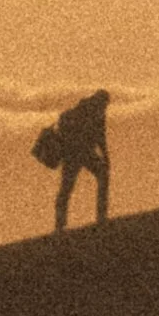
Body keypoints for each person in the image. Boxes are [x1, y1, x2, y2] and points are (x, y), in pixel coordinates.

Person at [49, 89, 111, 231]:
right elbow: (100, 137)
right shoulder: (95, 112)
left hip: (75, 154)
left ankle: (60, 224)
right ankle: (100, 216)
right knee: (69, 187)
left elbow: (99, 136)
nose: (105, 106)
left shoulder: (85, 109)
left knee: (66, 188)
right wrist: (106, 157)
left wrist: (105, 156)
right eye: (105, 103)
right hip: (79, 153)